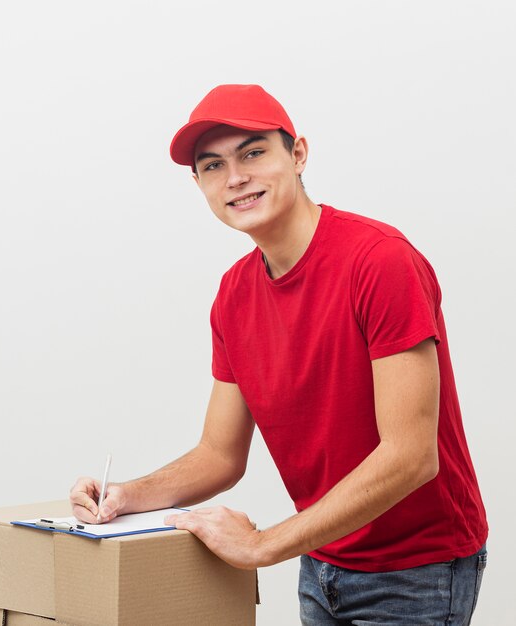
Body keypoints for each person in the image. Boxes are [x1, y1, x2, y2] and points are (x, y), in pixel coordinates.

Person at [70, 84, 488, 624]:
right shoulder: (233, 295)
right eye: (213, 165)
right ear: (199, 184)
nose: (236, 177)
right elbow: (220, 454)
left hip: (415, 571)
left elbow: (411, 456)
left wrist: (263, 546)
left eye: (253, 152)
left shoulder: (380, 263)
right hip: (321, 561)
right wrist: (127, 494)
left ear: (298, 154)